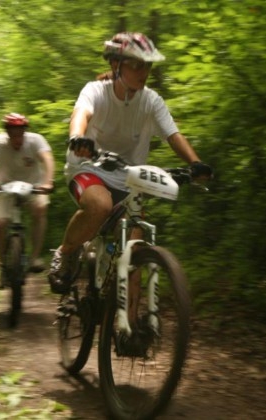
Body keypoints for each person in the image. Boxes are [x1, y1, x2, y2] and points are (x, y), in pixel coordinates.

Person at [48, 32, 213, 293]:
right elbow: (81, 114)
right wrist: (78, 138)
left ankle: (132, 330)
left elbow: (173, 135)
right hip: (88, 167)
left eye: (147, 65)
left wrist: (196, 163)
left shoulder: (151, 100)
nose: (143, 71)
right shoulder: (95, 91)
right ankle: (66, 252)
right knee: (100, 204)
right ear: (116, 64)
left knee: (134, 252)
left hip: (128, 178)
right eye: (136, 64)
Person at [0, 113, 55, 287]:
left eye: (20, 133)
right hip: (4, 185)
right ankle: (2, 265)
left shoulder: (36, 140)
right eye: (12, 134)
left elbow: (47, 159)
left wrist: (48, 182)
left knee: (39, 209)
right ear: (7, 133)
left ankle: (35, 258)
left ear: (25, 132)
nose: (17, 138)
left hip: (34, 184)